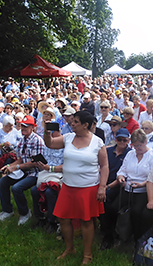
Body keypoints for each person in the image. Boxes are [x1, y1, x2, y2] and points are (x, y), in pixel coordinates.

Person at [41, 110, 107, 265]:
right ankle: (69, 248)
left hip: (88, 188)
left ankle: (87, 255)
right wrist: (46, 132)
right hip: (68, 186)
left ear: (86, 125)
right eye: (73, 121)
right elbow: (50, 143)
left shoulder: (98, 142)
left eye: (76, 122)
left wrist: (102, 187)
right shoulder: (68, 138)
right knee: (63, 219)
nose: (72, 124)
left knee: (86, 221)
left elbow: (104, 166)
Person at [0, 115, 44, 225]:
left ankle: (25, 212)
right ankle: (7, 210)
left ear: (33, 127)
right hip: (24, 171)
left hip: (35, 173)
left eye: (26, 126)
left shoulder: (37, 140)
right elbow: (20, 159)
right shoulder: (23, 140)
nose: (23, 128)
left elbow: (35, 162)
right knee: (3, 182)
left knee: (16, 188)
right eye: (22, 126)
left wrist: (16, 167)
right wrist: (10, 166)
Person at [116, 129, 153, 242]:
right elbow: (122, 170)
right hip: (128, 188)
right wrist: (121, 177)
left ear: (145, 142)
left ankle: (138, 238)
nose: (137, 149)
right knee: (114, 208)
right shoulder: (130, 154)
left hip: (144, 191)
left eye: (139, 146)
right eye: (134, 146)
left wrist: (142, 184)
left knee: (136, 212)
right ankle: (118, 234)